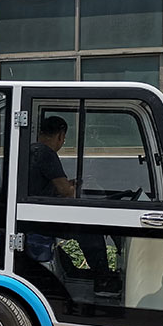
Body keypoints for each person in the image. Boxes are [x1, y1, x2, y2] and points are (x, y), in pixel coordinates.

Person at [27, 116, 119, 297]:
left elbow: (48, 185)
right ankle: (103, 281)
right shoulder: (47, 154)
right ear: (60, 136)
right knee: (89, 232)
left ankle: (83, 273)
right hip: (40, 218)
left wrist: (69, 185)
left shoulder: (31, 150)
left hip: (36, 213)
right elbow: (66, 192)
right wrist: (75, 186)